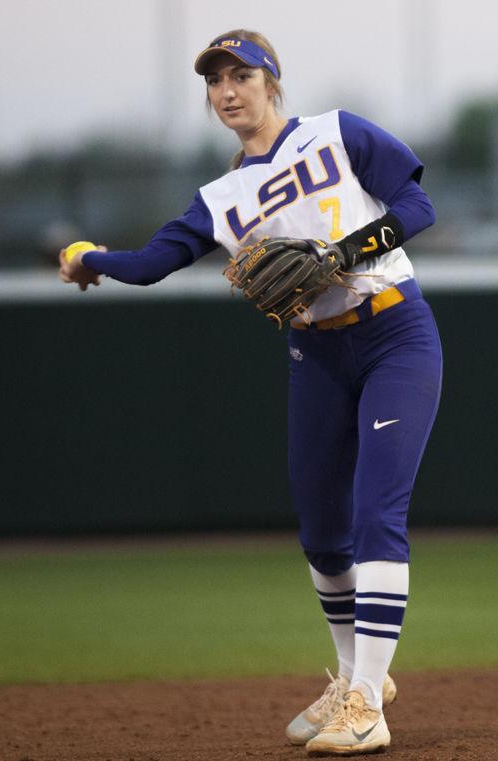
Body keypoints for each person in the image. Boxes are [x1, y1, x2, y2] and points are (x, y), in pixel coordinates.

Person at [59, 29, 442, 756]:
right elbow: (149, 263)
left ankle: (366, 701)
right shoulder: (220, 198)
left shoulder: (336, 134)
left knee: (375, 513)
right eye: (214, 81)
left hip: (396, 334)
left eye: (241, 74)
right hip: (317, 353)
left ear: (273, 82)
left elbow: (416, 206)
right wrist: (91, 257)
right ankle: (356, 674)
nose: (227, 90)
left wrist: (342, 253)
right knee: (321, 532)